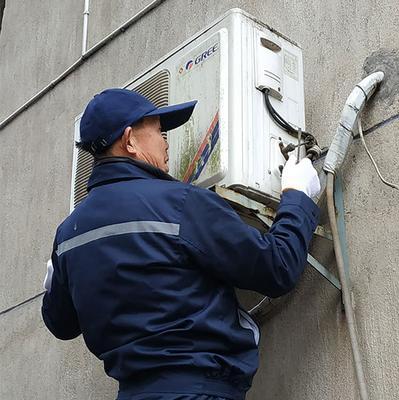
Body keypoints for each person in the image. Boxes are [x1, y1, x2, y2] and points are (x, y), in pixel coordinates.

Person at [41, 88, 320, 400]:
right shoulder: (182, 204)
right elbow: (277, 268)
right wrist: (298, 196)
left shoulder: (68, 233)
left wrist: (54, 277)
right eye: (159, 131)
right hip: (198, 391)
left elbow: (61, 324)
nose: (165, 141)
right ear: (130, 139)